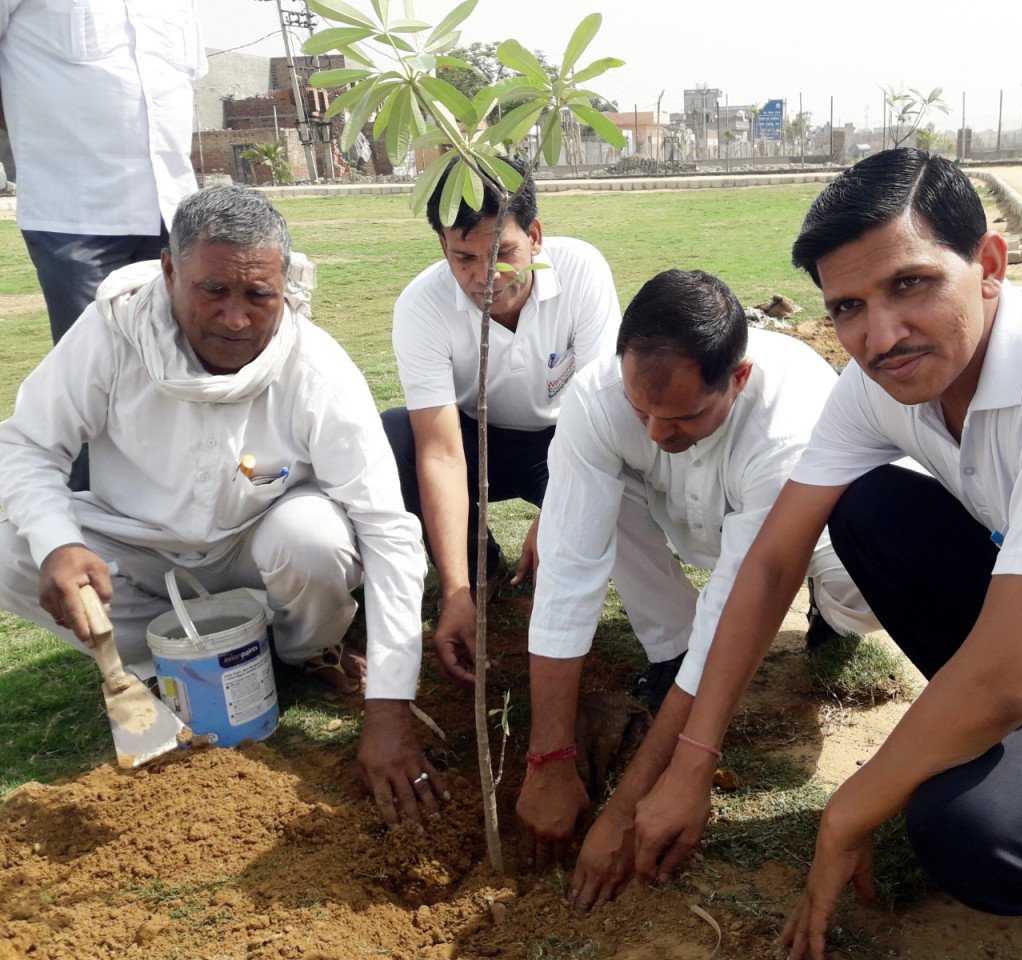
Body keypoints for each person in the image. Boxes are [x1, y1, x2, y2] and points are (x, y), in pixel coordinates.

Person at [630, 148, 1022, 955]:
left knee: (975, 833)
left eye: (911, 284)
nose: (881, 335)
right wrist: (692, 759)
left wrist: (846, 815)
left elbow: (1007, 679)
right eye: (848, 307)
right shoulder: (879, 383)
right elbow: (771, 561)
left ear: (991, 266)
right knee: (870, 510)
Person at [0, 184, 449, 829]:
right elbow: (27, 446)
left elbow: (386, 530)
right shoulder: (111, 335)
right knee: (15, 547)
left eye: (259, 295)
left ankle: (300, 651)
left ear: (285, 285)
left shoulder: (315, 367)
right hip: (138, 546)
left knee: (315, 538)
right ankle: (159, 669)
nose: (236, 319)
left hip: (255, 544)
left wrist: (389, 707)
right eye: (213, 290)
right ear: (169, 271)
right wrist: (59, 542)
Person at [516, 269, 878, 911]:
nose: (657, 433)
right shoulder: (596, 398)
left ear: (737, 379)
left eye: (682, 415)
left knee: (858, 584)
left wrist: (625, 809)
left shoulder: (785, 425)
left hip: (810, 534)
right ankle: (669, 651)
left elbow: (734, 606)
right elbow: (569, 570)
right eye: (642, 411)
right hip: (682, 512)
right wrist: (550, 757)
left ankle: (833, 616)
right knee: (594, 505)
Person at [381, 159, 621, 686]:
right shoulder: (421, 306)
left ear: (534, 237)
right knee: (396, 435)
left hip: (565, 439)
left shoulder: (581, 271)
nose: (482, 277)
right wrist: (455, 590)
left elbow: (601, 413)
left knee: (614, 486)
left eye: (502, 254)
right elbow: (440, 451)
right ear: (443, 247)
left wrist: (556, 515)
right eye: (463, 258)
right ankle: (480, 566)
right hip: (474, 439)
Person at [0, 0, 205, 491]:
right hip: (74, 213)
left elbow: (183, 83)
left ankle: (179, 513)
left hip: (173, 210)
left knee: (183, 370)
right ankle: (84, 517)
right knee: (93, 380)